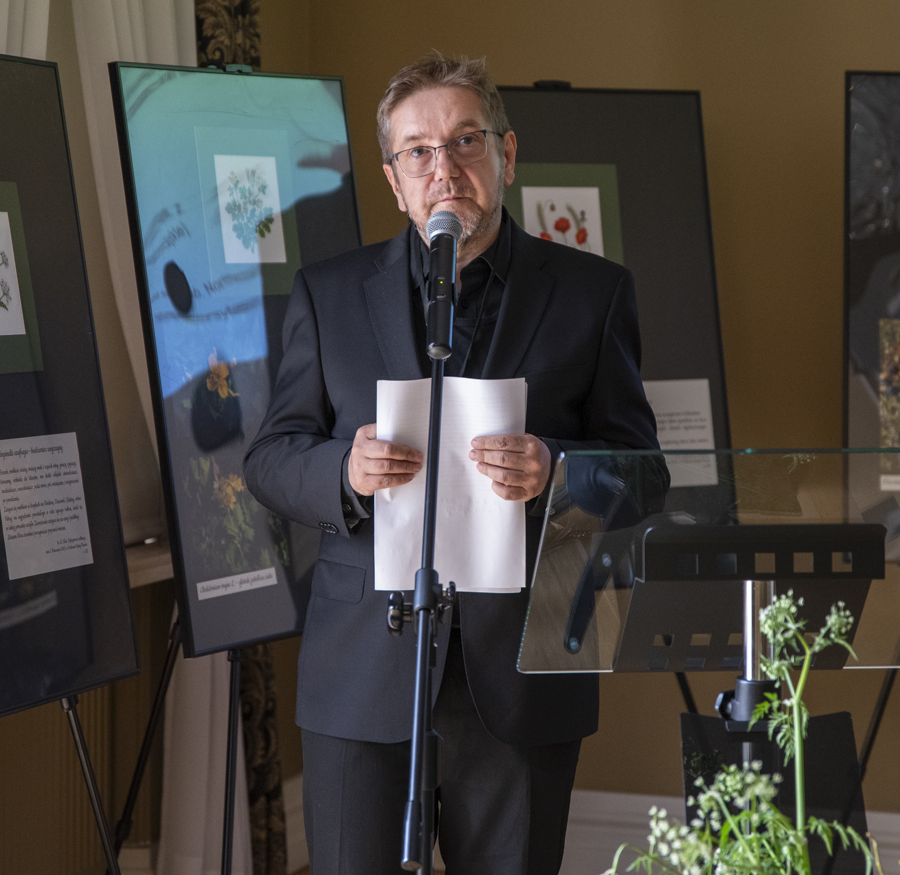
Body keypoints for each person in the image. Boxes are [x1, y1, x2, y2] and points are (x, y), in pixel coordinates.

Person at [244, 52, 660, 874]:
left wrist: (556, 470)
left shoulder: (593, 293)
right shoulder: (329, 294)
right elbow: (271, 458)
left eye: (466, 141)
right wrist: (345, 472)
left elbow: (646, 473)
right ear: (394, 181)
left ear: (507, 154)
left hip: (522, 676)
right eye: (419, 151)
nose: (445, 168)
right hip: (362, 671)